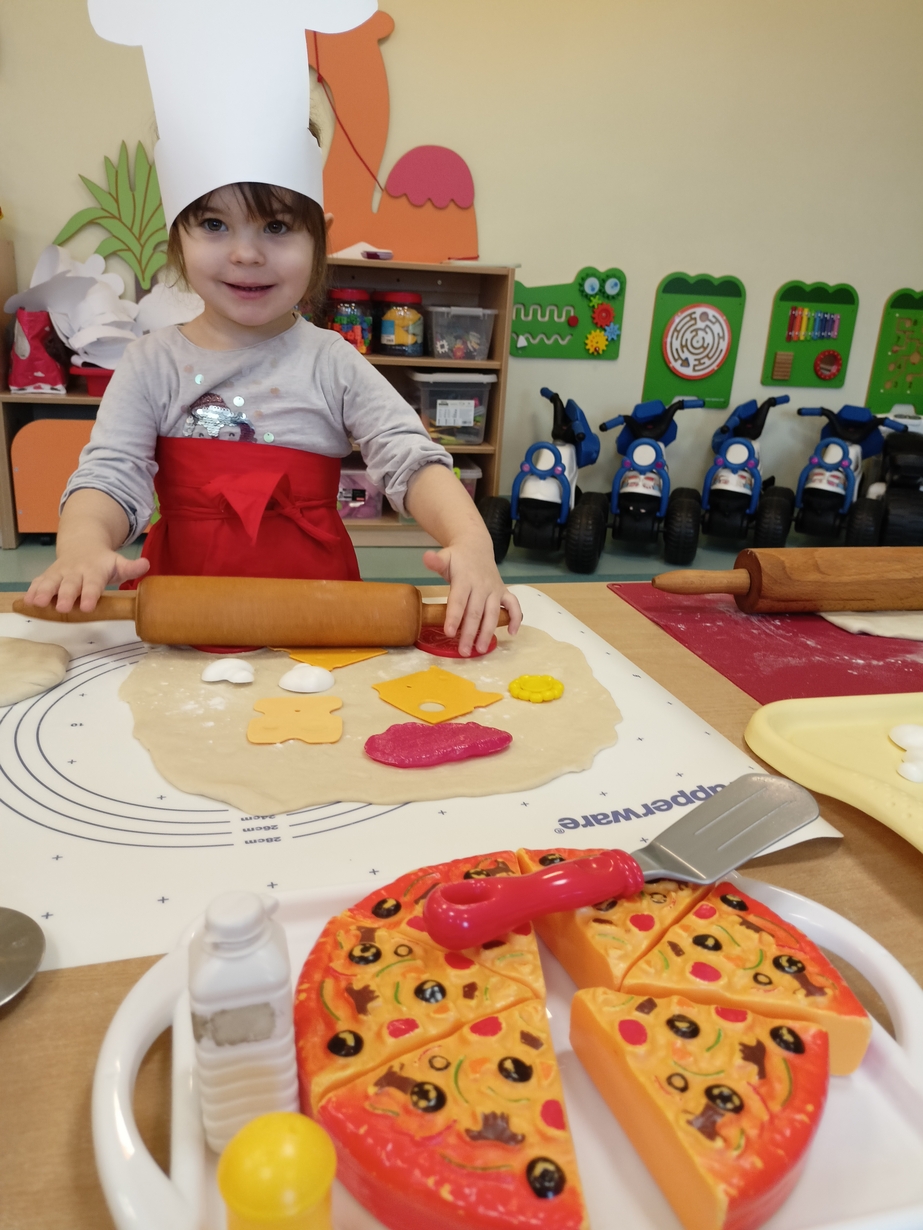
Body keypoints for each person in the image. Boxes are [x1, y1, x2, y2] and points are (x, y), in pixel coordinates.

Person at [25, 179, 521, 655]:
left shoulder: (333, 361)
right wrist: (83, 546)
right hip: (181, 613)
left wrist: (470, 541)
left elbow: (411, 459)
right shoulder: (150, 363)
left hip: (320, 617)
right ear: (177, 234)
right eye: (215, 224)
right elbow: (111, 475)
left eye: (277, 227)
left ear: (319, 238)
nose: (247, 254)